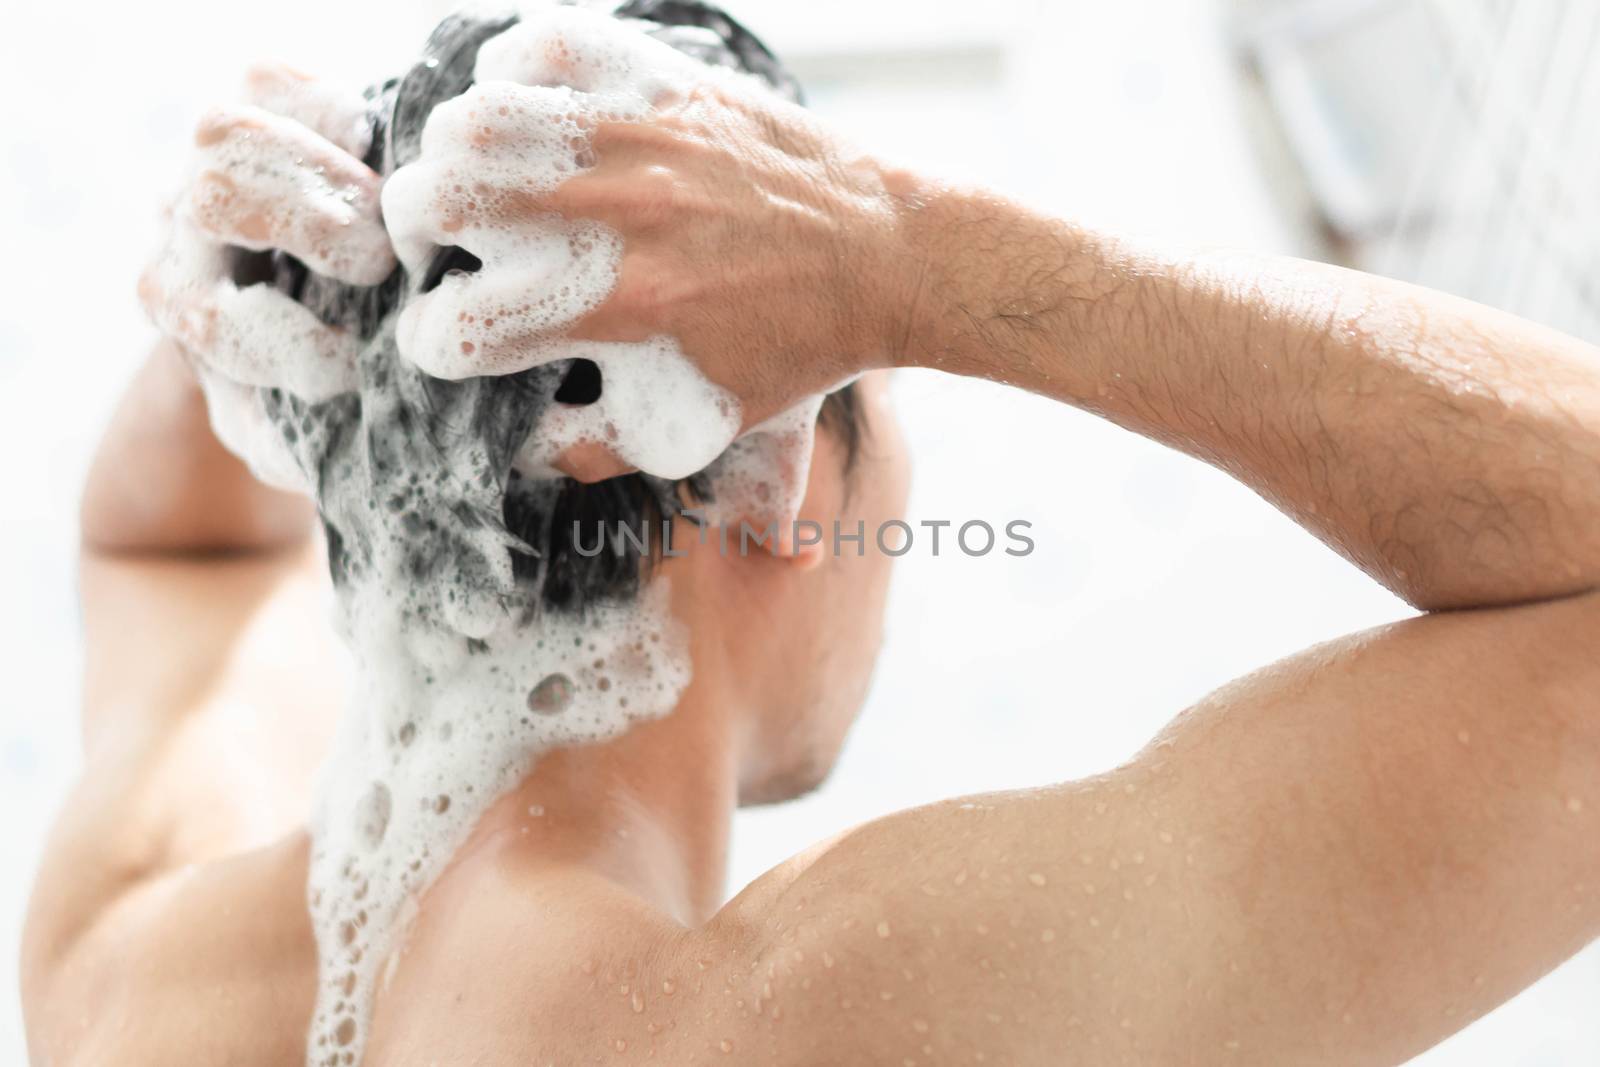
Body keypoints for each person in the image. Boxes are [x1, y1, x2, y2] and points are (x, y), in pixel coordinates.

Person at [21, 8, 1600, 1066]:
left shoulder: (123, 978)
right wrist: (910, 259)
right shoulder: (820, 1020)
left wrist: (249, 333)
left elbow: (167, 553)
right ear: (779, 485)